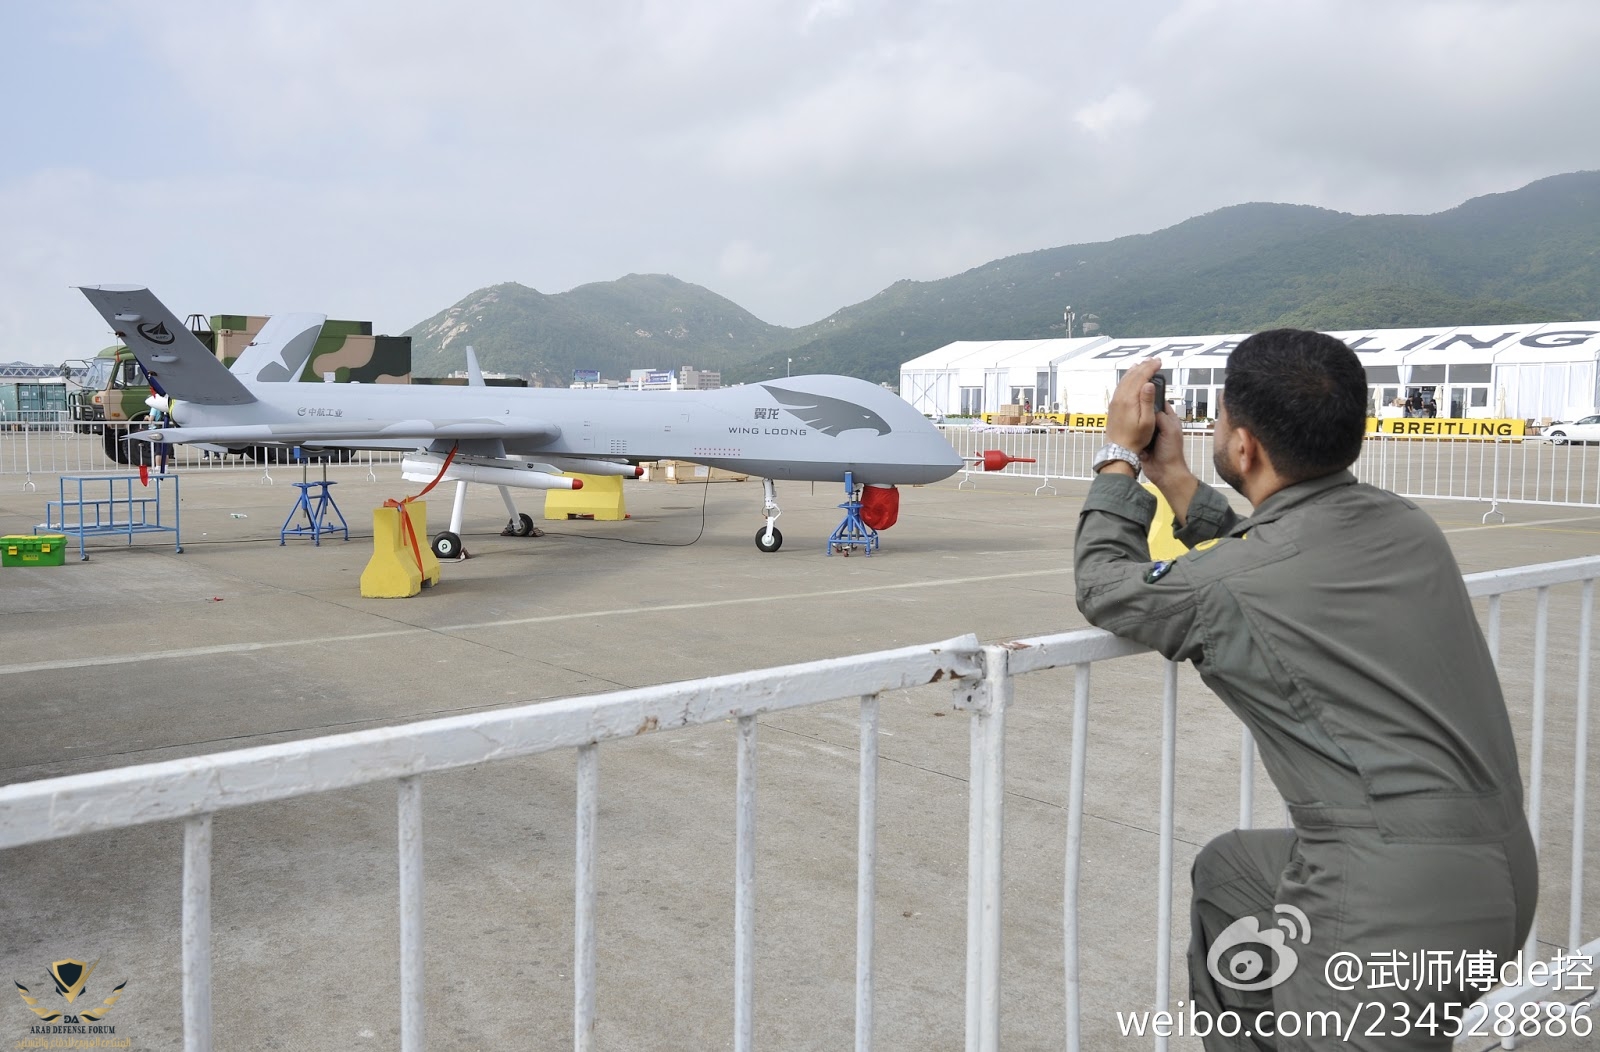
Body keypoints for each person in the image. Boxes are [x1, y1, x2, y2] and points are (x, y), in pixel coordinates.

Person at [1074, 331, 1535, 1051]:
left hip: (1392, 909)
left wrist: (1118, 458)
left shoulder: (1244, 579)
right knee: (1231, 875)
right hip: (1500, 876)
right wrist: (1176, 483)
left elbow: (1105, 587)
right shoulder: (1404, 524)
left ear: (1244, 446)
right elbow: (1275, 555)